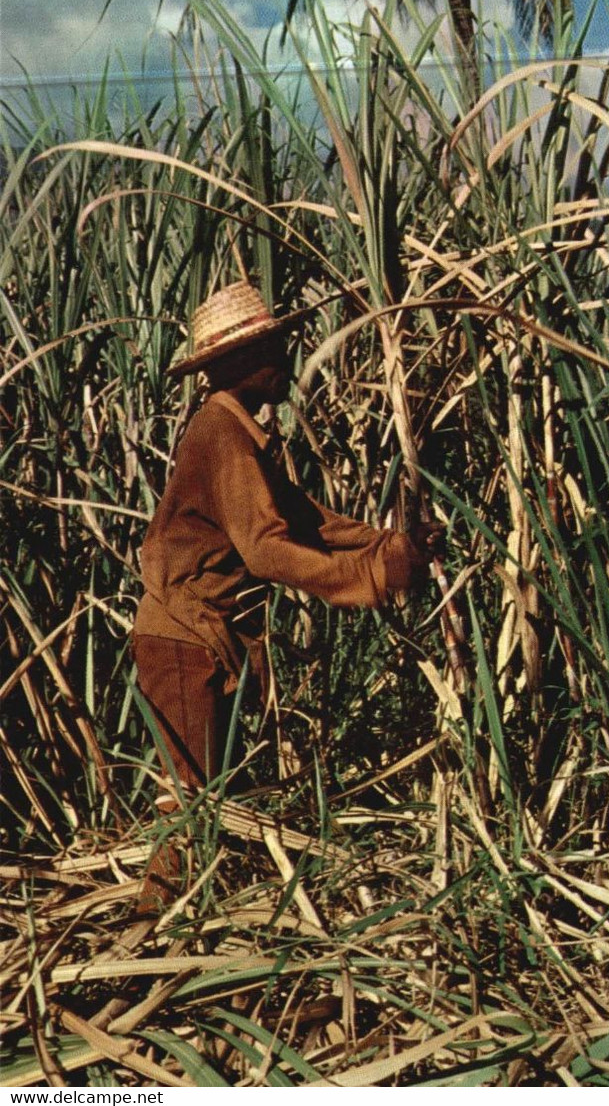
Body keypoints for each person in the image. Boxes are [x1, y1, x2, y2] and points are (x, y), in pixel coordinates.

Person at [132, 279, 443, 910]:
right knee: (188, 798)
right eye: (274, 352)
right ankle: (153, 933)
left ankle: (191, 919)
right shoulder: (222, 434)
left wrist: (388, 544)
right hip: (183, 636)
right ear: (242, 365)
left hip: (195, 635)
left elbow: (303, 519)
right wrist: (376, 578)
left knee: (205, 790)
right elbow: (266, 547)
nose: (287, 364)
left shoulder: (240, 434)